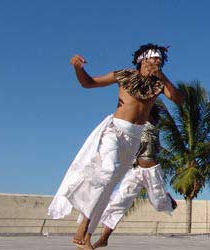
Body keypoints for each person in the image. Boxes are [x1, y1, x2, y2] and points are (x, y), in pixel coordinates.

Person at [47, 44, 183, 250]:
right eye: (152, 60)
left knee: (109, 186)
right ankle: (82, 225)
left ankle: (87, 236)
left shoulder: (158, 84)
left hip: (134, 138)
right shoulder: (123, 75)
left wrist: (163, 77)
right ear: (141, 60)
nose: (156, 63)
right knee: (107, 171)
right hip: (115, 131)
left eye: (159, 61)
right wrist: (78, 69)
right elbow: (89, 83)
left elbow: (179, 99)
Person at [93, 105, 178, 248]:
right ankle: (104, 237)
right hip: (135, 170)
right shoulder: (136, 127)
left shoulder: (151, 128)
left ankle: (167, 199)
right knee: (118, 202)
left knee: (158, 205)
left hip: (152, 171)